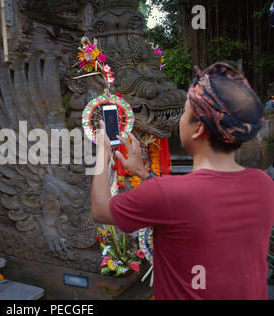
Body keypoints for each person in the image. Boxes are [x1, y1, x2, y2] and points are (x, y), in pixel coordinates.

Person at [90, 62, 274, 300]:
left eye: (185, 113)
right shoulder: (264, 184)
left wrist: (103, 152)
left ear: (197, 129)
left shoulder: (168, 193)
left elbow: (99, 208)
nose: (180, 120)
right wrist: (144, 173)